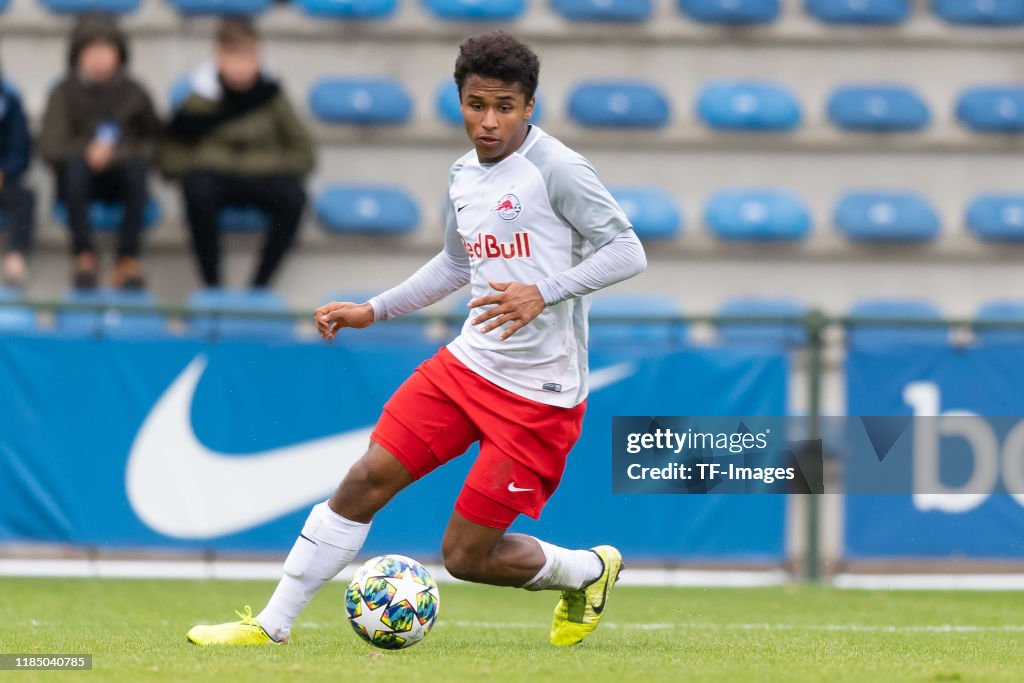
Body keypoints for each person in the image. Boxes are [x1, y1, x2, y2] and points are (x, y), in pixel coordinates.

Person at [186, 31, 647, 648]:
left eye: (505, 107)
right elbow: (456, 265)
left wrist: (547, 290)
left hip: (540, 393)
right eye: (476, 104)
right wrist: (371, 310)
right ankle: (272, 626)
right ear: (459, 98)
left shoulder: (556, 168)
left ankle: (590, 569)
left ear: (529, 106)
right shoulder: (462, 175)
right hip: (467, 366)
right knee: (363, 480)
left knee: (465, 556)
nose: (489, 122)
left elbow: (628, 250)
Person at [161, 18, 314, 289]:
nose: (242, 67)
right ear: (218, 58)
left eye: (248, 57)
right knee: (196, 190)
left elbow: (304, 154)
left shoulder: (273, 98)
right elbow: (169, 157)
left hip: (264, 178)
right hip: (214, 179)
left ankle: (260, 286)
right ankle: (213, 285)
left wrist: (261, 165)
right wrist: (202, 165)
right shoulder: (198, 99)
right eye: (234, 57)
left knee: (294, 197)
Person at [39, 13, 160, 290]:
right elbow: (49, 145)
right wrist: (87, 152)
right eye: (90, 49)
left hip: (123, 179)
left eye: (106, 49)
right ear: (77, 55)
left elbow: (156, 143)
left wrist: (114, 153)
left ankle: (127, 259)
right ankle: (84, 255)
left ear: (119, 53)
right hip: (79, 180)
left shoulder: (135, 93)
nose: (98, 57)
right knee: (74, 170)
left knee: (136, 170)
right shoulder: (63, 93)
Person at [0, 62, 34, 288]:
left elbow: (21, 148)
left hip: (4, 182)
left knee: (25, 197)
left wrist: (5, 171)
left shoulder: (10, 101)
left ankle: (15, 258)